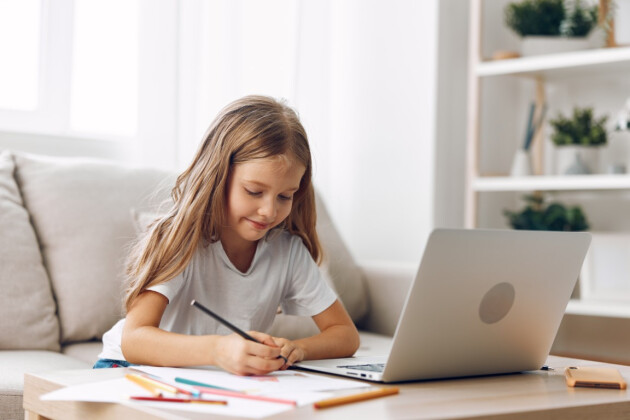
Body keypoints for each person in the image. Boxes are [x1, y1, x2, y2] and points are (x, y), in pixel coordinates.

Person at [94, 95, 360, 375]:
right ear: (218, 176)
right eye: (254, 192)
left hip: (210, 376)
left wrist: (300, 349)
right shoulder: (181, 239)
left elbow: (345, 334)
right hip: (131, 366)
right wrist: (217, 349)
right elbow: (134, 340)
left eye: (285, 196)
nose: (269, 211)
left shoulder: (288, 251)